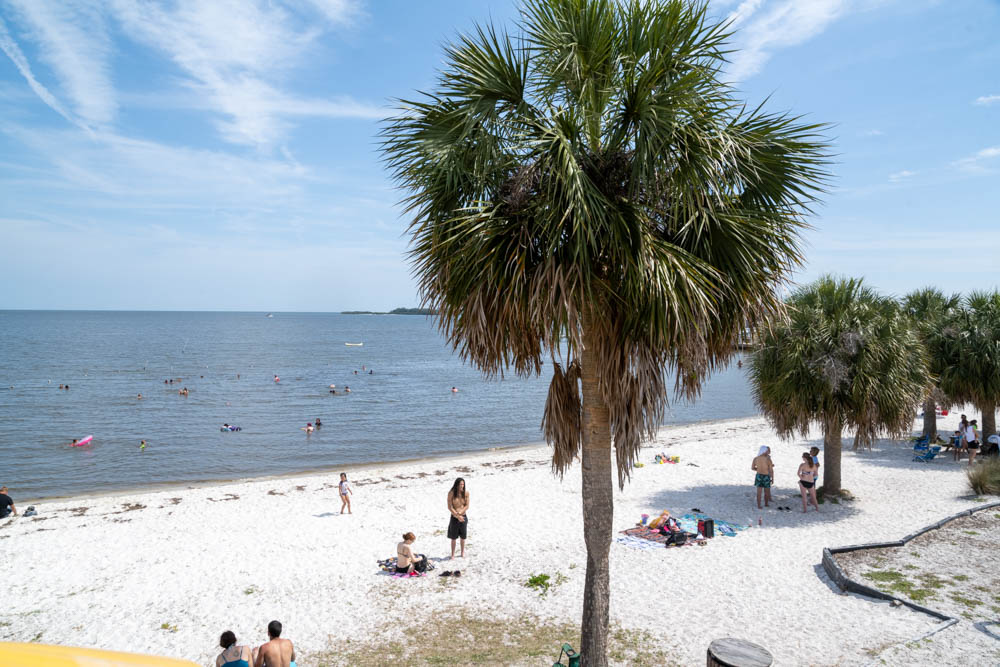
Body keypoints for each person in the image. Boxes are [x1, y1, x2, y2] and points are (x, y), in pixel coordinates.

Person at [447, 477, 469, 558]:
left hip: (463, 516)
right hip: (454, 517)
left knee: (463, 537)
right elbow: (449, 507)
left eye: (463, 484)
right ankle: (452, 554)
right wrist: (457, 515)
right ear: (456, 485)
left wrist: (460, 513)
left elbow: (467, 506)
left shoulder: (466, 493)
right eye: (460, 484)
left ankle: (462, 552)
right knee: (453, 538)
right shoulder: (451, 493)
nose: (462, 486)